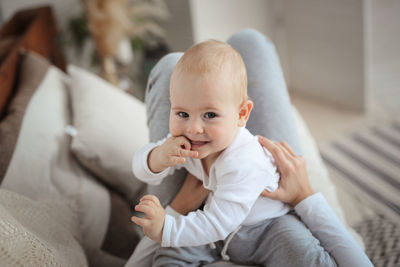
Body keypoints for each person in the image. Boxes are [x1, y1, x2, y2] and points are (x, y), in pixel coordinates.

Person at [126, 29, 372, 266]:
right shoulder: (187, 141)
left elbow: (216, 223)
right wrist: (157, 157)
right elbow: (141, 168)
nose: (193, 128)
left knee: (301, 253)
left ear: (242, 114)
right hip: (218, 228)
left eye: (209, 114)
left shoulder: (244, 161)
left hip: (267, 229)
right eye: (182, 113)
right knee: (169, 257)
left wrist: (165, 228)